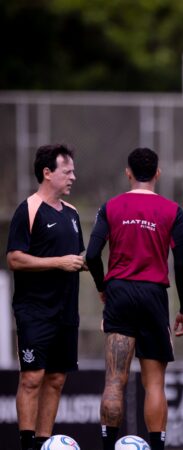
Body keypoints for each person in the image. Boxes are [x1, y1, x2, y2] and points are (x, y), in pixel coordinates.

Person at [84, 148, 183, 450]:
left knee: (115, 380)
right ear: (157, 173)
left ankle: (108, 447)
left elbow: (91, 255)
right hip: (153, 295)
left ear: (127, 172)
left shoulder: (111, 207)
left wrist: (103, 286)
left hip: (119, 293)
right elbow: (180, 263)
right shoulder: (172, 211)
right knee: (154, 384)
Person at [7, 144, 84, 450]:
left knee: (56, 379)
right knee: (32, 378)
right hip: (35, 311)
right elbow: (14, 258)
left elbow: (74, 257)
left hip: (67, 312)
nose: (73, 178)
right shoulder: (28, 210)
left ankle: (45, 443)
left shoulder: (74, 214)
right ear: (47, 173)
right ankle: (27, 444)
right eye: (67, 171)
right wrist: (59, 262)